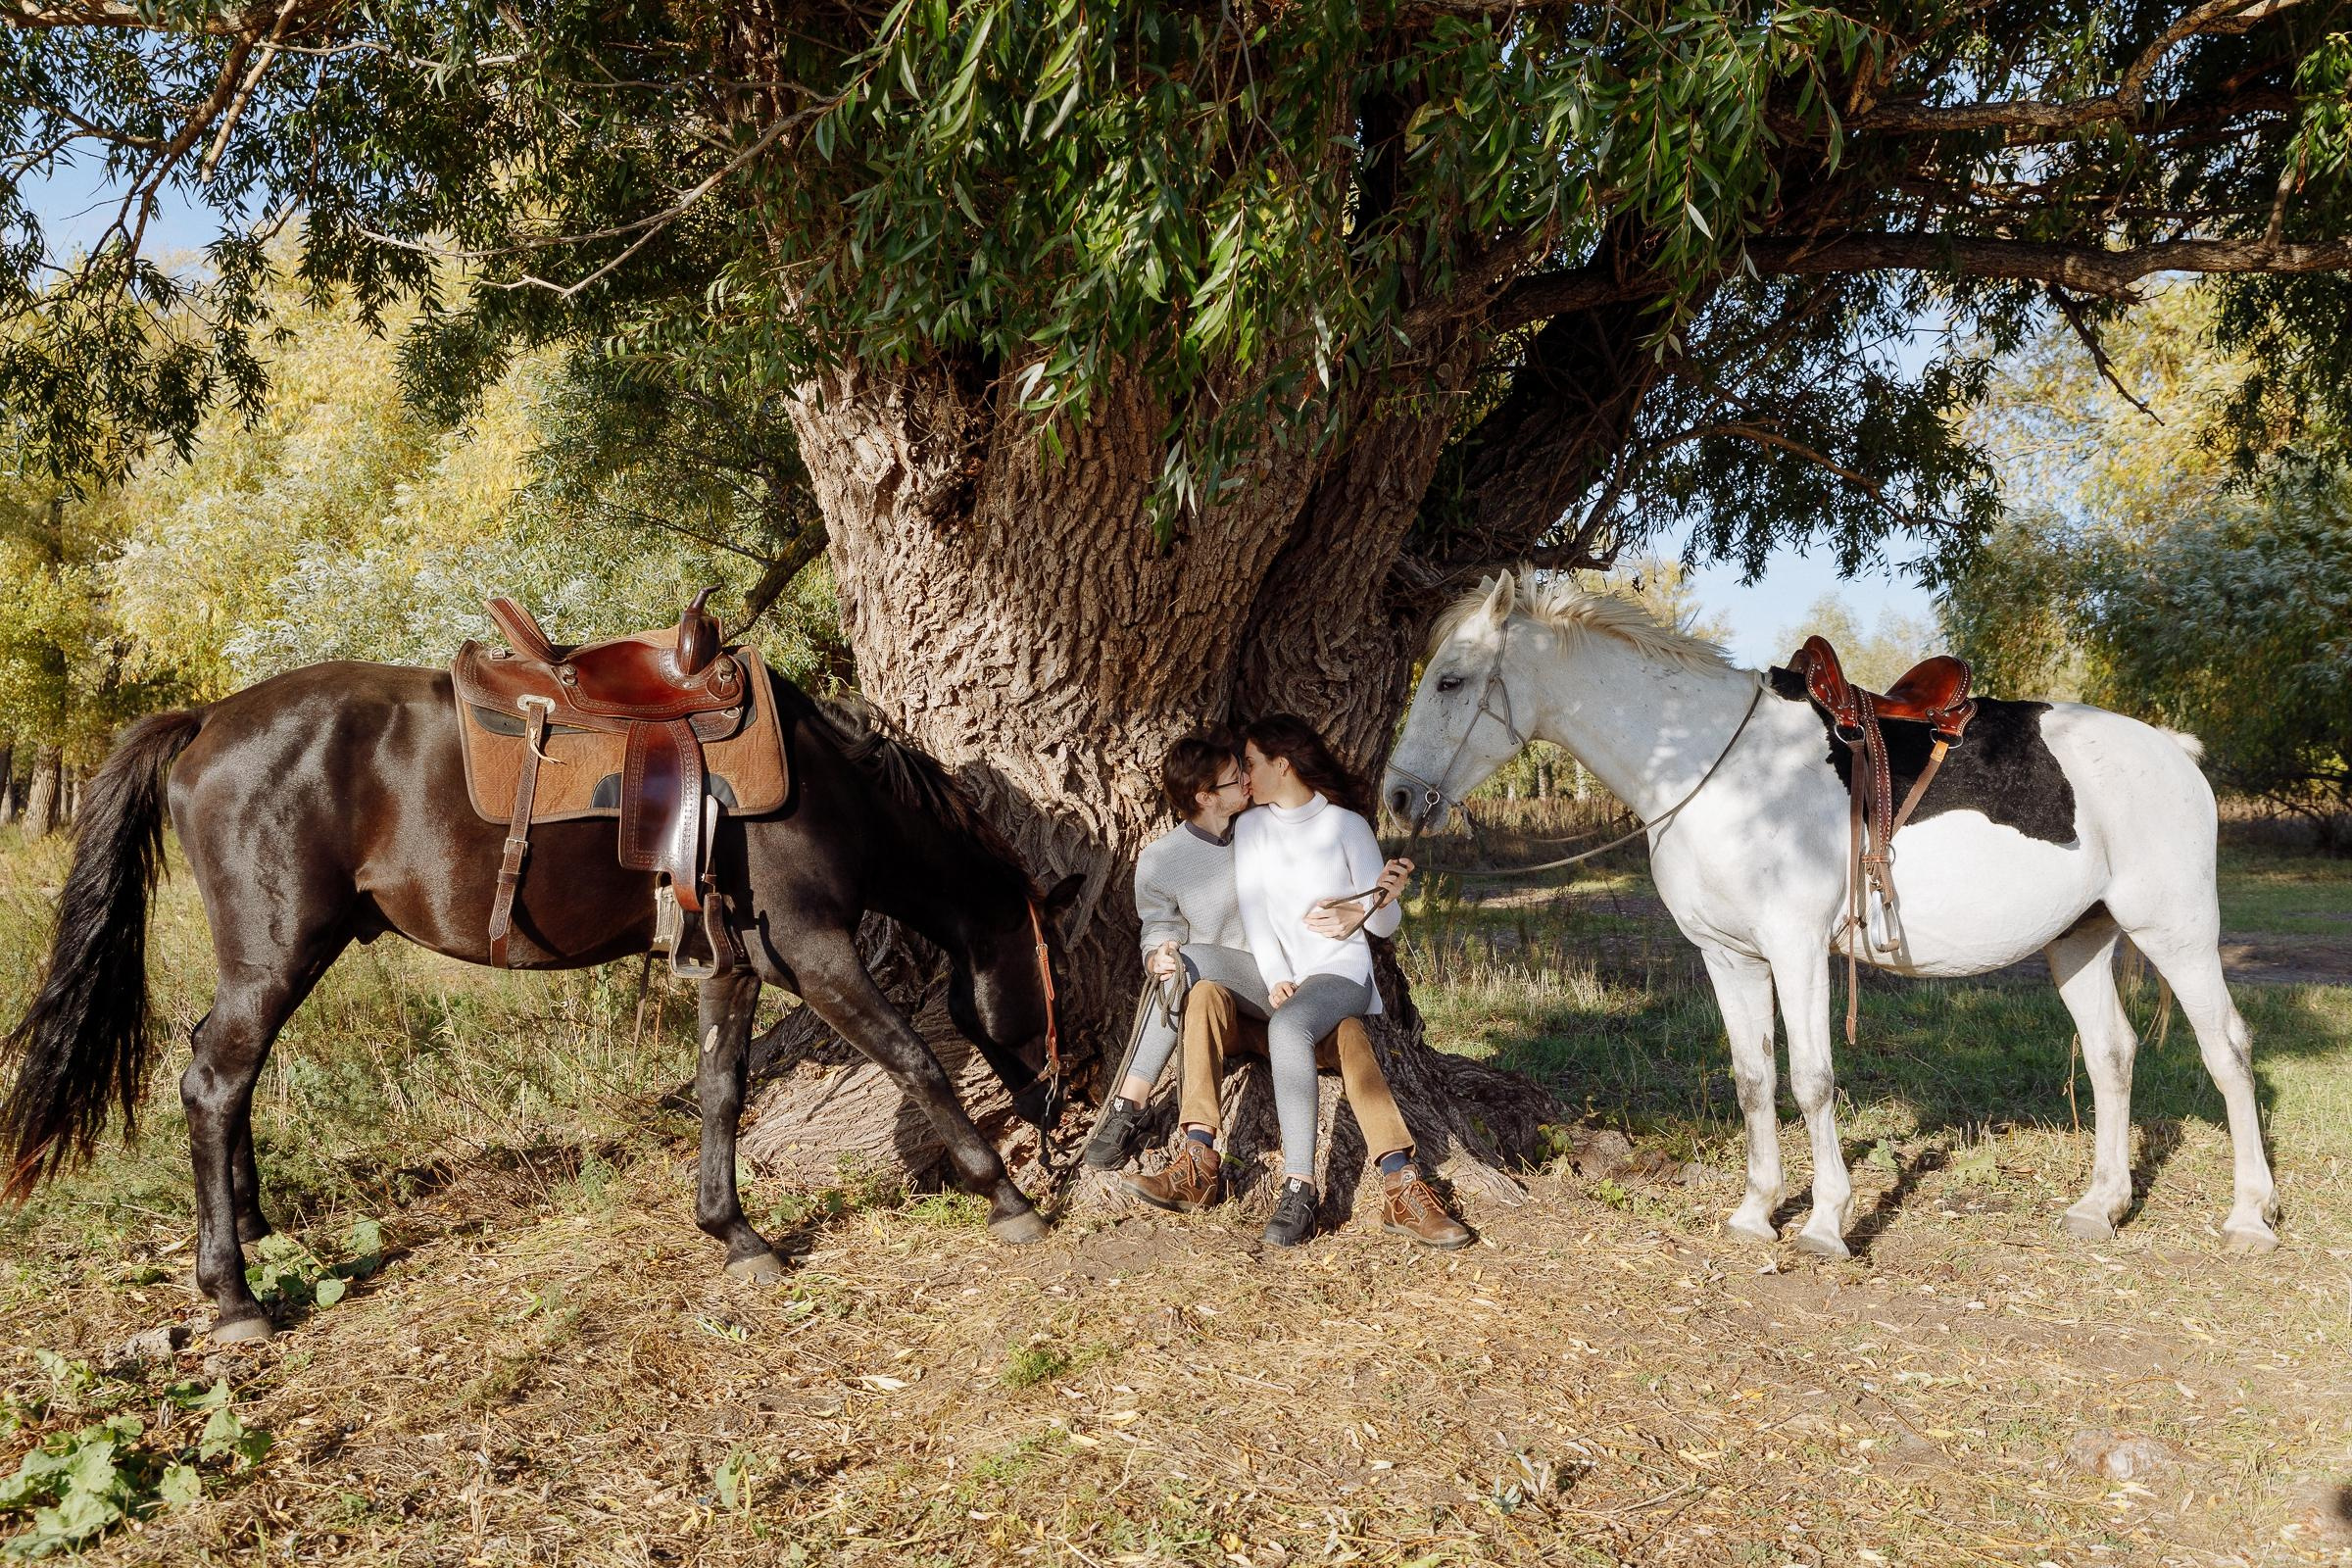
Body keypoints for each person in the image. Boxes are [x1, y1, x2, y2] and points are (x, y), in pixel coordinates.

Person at [1102, 723, 1472, 1250]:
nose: (1245, 775)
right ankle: (1195, 1161)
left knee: (1304, 1024)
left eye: (1250, 763)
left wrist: (1377, 901)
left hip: (1338, 975)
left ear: (1283, 764)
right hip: (1276, 984)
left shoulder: (1347, 826)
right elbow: (1255, 914)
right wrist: (1275, 977)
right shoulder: (1251, 829)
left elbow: (1382, 929)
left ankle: (1307, 1187)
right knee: (1199, 981)